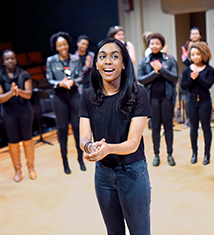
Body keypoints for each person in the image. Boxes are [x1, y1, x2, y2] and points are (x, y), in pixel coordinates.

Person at [79, 38, 151, 235]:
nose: (108, 61)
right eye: (102, 57)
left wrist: (108, 148)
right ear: (96, 64)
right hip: (102, 174)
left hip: (132, 172)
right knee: (113, 232)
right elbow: (83, 137)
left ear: (124, 63)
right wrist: (90, 147)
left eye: (114, 57)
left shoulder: (138, 93)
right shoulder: (88, 96)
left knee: (140, 231)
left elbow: (133, 143)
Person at [0, 49, 36, 182]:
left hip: (24, 111)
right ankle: (18, 170)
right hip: (8, 113)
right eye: (7, 59)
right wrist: (11, 93)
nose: (10, 61)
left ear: (16, 60)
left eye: (12, 58)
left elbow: (28, 94)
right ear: (3, 62)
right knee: (13, 142)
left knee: (28, 139)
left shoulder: (24, 74)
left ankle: (31, 168)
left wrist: (18, 91)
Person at [46, 31, 85, 174]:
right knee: (62, 129)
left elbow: (80, 76)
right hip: (59, 97)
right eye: (59, 45)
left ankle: (80, 159)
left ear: (68, 44)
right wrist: (60, 83)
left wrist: (73, 82)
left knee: (77, 128)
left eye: (65, 44)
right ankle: (65, 163)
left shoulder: (75, 59)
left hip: (74, 95)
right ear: (55, 47)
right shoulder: (51, 60)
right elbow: (49, 80)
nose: (63, 47)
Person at [138, 33, 178, 167]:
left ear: (162, 45)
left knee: (168, 127)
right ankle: (156, 154)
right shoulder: (144, 61)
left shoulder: (169, 59)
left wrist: (161, 70)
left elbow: (174, 77)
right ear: (149, 45)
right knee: (155, 128)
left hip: (167, 98)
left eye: (157, 43)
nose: (154, 45)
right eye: (152, 43)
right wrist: (154, 73)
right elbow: (141, 79)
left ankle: (170, 154)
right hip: (152, 99)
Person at [180, 42, 214, 165]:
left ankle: (207, 154)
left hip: (205, 101)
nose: (195, 57)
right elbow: (183, 86)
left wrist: (198, 77)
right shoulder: (186, 70)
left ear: (203, 54)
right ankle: (194, 153)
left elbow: (208, 85)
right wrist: (191, 78)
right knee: (193, 128)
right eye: (193, 54)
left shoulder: (209, 69)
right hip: (192, 101)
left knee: (206, 128)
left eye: (198, 54)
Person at [180, 27, 203, 128]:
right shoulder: (185, 46)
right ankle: (189, 118)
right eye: (192, 34)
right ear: (190, 36)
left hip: (201, 72)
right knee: (188, 97)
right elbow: (185, 61)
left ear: (200, 36)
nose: (194, 35)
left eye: (196, 33)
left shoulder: (204, 46)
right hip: (189, 72)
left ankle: (203, 119)